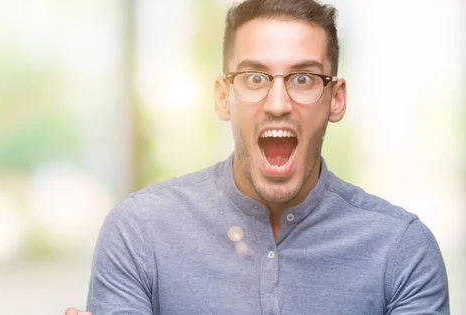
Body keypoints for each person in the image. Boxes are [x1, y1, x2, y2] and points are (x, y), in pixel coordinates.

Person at [66, 0, 449, 314]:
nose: (278, 104)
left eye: (304, 79)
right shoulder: (139, 234)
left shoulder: (402, 251)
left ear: (336, 98)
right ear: (222, 97)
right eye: (255, 78)